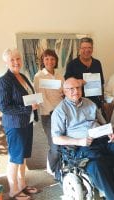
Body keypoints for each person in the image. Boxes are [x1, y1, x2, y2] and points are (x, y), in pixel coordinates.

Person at [51, 77, 114, 200]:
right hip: (82, 145)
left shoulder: (90, 104)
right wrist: (79, 141)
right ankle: (113, 197)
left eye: (77, 88)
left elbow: (104, 124)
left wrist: (110, 133)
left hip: (102, 139)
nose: (75, 91)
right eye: (71, 89)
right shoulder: (60, 110)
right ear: (64, 91)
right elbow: (56, 139)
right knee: (97, 163)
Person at [0, 48, 41, 199]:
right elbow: (4, 107)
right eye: (12, 60)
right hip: (15, 125)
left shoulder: (22, 76)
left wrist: (34, 103)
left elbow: (28, 97)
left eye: (18, 59)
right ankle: (14, 190)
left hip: (27, 122)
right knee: (15, 158)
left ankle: (22, 185)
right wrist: (27, 107)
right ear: (6, 62)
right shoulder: (4, 81)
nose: (16, 62)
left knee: (22, 157)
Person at [33, 49, 64, 179]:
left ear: (55, 60)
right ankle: (54, 170)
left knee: (62, 142)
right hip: (48, 114)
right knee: (55, 144)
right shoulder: (38, 76)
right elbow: (40, 98)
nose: (50, 61)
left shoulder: (59, 75)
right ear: (43, 61)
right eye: (47, 59)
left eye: (52, 59)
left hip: (62, 113)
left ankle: (55, 168)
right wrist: (53, 111)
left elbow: (64, 92)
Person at [64, 37, 105, 109]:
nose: (86, 50)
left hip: (95, 103)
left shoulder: (97, 63)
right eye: (83, 48)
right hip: (78, 104)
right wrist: (77, 82)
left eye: (89, 47)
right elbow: (66, 86)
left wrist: (102, 101)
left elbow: (101, 83)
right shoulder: (72, 64)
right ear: (79, 49)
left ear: (92, 49)